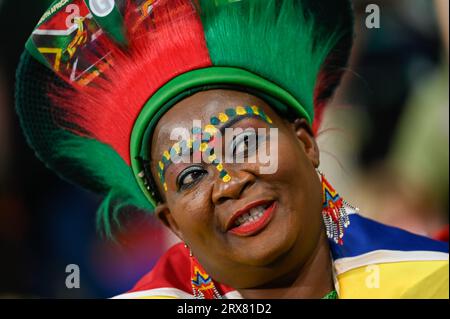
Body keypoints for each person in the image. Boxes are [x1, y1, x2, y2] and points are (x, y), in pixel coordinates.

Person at [15, 0, 448, 299]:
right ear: (172, 221)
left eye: (244, 142)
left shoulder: (431, 279)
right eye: (190, 176)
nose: (229, 182)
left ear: (305, 142)